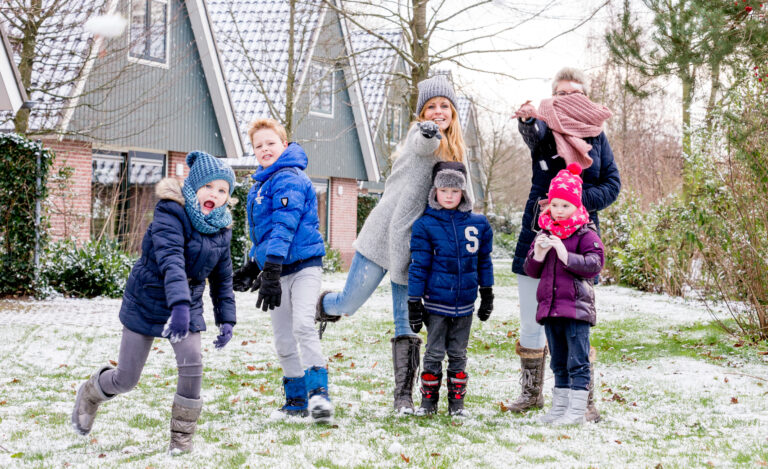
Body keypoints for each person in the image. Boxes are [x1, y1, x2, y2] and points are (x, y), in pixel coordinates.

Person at [315, 75, 467, 414]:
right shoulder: (421, 136)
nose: (438, 112)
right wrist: (428, 130)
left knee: (407, 321)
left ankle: (403, 398)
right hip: (382, 236)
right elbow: (423, 142)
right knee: (348, 302)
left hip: (413, 250)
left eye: (444, 106)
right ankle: (320, 307)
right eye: (431, 107)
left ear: (454, 111)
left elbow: (459, 199)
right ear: (421, 114)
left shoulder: (457, 153)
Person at [71, 151, 237, 453]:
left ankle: (180, 441)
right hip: (148, 297)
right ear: (194, 186)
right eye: (209, 186)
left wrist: (227, 318)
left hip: (188, 304)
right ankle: (91, 393)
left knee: (192, 363)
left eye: (222, 190)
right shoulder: (170, 212)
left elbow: (223, 277)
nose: (215, 193)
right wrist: (179, 306)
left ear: (228, 197)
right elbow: (171, 260)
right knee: (126, 379)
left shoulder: (222, 228)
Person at [508, 67, 620, 422]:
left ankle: (582, 399)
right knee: (533, 318)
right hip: (537, 234)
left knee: (577, 320)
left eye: (575, 93)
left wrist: (573, 200)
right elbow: (532, 132)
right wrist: (527, 120)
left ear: (585, 95)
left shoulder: (598, 137)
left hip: (580, 241)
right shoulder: (544, 128)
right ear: (552, 97)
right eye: (561, 94)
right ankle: (531, 394)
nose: (568, 99)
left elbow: (612, 185)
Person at [232, 118, 332, 423]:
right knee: (283, 338)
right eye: (258, 146)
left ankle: (319, 399)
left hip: (303, 267)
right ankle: (296, 399)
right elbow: (263, 236)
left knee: (302, 325)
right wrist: (253, 265)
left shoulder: (289, 177)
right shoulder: (261, 185)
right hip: (277, 269)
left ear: (284, 145)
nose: (264, 149)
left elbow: (284, 227)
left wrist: (270, 272)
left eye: (270, 143)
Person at [407, 162, 494, 416]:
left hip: (465, 303)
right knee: (433, 354)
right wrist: (414, 301)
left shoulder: (478, 224)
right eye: (443, 190)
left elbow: (484, 261)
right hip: (436, 304)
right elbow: (418, 265)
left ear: (463, 194)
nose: (448, 196)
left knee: (458, 354)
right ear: (435, 192)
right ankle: (428, 404)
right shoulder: (425, 225)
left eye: (454, 191)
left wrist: (486, 293)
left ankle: (457, 405)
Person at [523, 163, 604, 425]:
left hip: (576, 309)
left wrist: (564, 254)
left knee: (577, 361)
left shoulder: (586, 234)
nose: (559, 211)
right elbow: (532, 269)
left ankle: (577, 411)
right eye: (555, 205)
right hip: (550, 308)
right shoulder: (544, 233)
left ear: (577, 207)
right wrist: (539, 253)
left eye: (565, 206)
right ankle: (559, 408)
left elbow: (594, 264)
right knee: (557, 361)